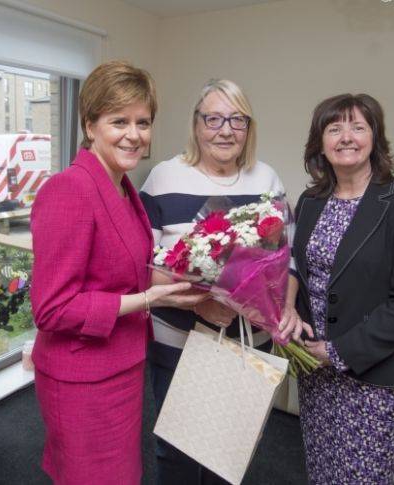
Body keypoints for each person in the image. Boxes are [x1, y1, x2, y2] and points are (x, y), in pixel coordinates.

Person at [29, 60, 204, 485]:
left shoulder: (123, 187)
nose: (134, 134)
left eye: (143, 122)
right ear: (90, 125)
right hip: (82, 379)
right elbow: (52, 309)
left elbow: (123, 272)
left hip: (121, 366)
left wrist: (195, 274)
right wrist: (152, 299)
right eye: (119, 121)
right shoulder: (69, 189)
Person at [285, 93, 394, 485]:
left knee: (363, 478)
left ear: (376, 137)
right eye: (334, 128)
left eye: (358, 126)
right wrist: (291, 320)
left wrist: (336, 351)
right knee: (321, 470)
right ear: (320, 143)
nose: (346, 136)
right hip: (315, 370)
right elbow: (298, 274)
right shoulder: (310, 201)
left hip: (375, 373)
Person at [139, 79, 287, 485]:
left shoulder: (267, 179)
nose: (225, 130)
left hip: (247, 344)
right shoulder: (163, 178)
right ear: (197, 124)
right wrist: (200, 303)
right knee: (178, 454)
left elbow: (283, 265)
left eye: (237, 119)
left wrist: (276, 306)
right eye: (214, 118)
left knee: (231, 453)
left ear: (249, 127)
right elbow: (144, 268)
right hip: (178, 342)